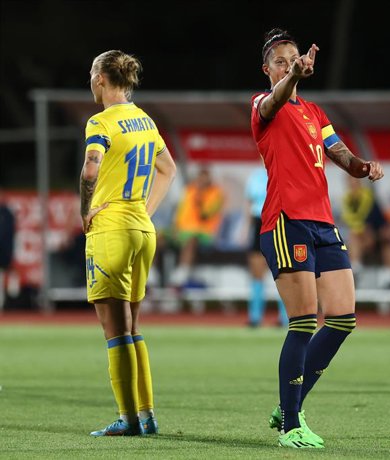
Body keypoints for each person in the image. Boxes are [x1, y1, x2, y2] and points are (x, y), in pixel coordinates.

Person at [251, 28, 384, 448]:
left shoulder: (314, 112)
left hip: (323, 223)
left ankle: (289, 403)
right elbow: (275, 99)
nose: (288, 63)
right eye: (280, 60)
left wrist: (362, 167)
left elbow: (339, 152)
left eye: (293, 57)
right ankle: (291, 425)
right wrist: (293, 75)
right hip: (286, 222)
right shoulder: (262, 105)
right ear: (267, 69)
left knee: (344, 319)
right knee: (305, 321)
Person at [80, 50, 176, 435]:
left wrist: (85, 209)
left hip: (112, 230)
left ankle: (128, 419)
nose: (90, 80)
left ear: (101, 78)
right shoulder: (145, 120)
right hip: (140, 229)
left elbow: (91, 165)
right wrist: (145, 211)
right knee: (133, 327)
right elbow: (168, 169)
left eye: (91, 73)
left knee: (113, 330)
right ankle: (147, 415)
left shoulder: (100, 121)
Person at [245, 165, 288, 327]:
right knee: (257, 272)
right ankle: (255, 317)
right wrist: (246, 229)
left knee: (283, 271)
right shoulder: (255, 175)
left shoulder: (282, 171)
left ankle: (286, 317)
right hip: (259, 222)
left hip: (278, 221)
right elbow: (249, 204)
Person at [169, 167, 225, 287]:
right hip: (182, 231)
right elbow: (179, 212)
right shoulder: (189, 190)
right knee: (158, 237)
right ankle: (150, 277)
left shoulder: (216, 194)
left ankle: (181, 275)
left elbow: (205, 215)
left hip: (204, 234)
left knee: (191, 240)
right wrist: (175, 228)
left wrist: (199, 198)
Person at [0, 191, 16, 311]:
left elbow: (11, 235)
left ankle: (9, 302)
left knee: (8, 276)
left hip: (5, 251)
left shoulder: (7, 213)